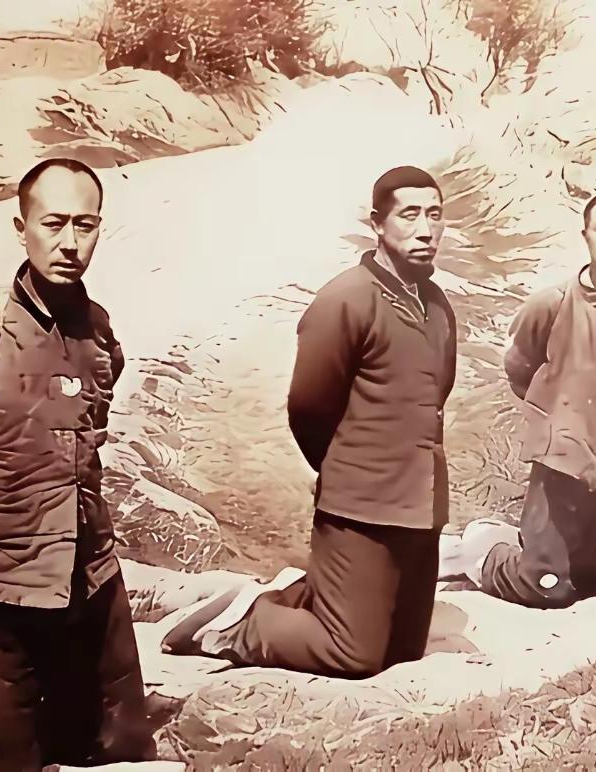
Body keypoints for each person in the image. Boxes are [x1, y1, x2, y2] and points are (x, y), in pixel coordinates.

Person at [162, 166, 457, 678]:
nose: (425, 229)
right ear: (378, 223)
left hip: (420, 507)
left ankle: (305, 593)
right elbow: (309, 408)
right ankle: (244, 624)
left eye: (434, 215)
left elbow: (435, 395)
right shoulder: (346, 299)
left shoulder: (436, 304)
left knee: (403, 653)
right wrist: (349, 474)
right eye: (410, 215)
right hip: (360, 508)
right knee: (353, 656)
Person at [440, 191, 596, 609]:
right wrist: (558, 419)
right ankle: (482, 548)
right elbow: (520, 367)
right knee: (546, 587)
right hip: (564, 458)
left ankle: (562, 549)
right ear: (586, 237)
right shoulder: (552, 303)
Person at [0, 158, 155, 770]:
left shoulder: (99, 332)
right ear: (21, 227)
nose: (69, 242)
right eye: (53, 223)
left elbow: (91, 437)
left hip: (90, 574)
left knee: (118, 749)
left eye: (85, 225)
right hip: (2, 581)